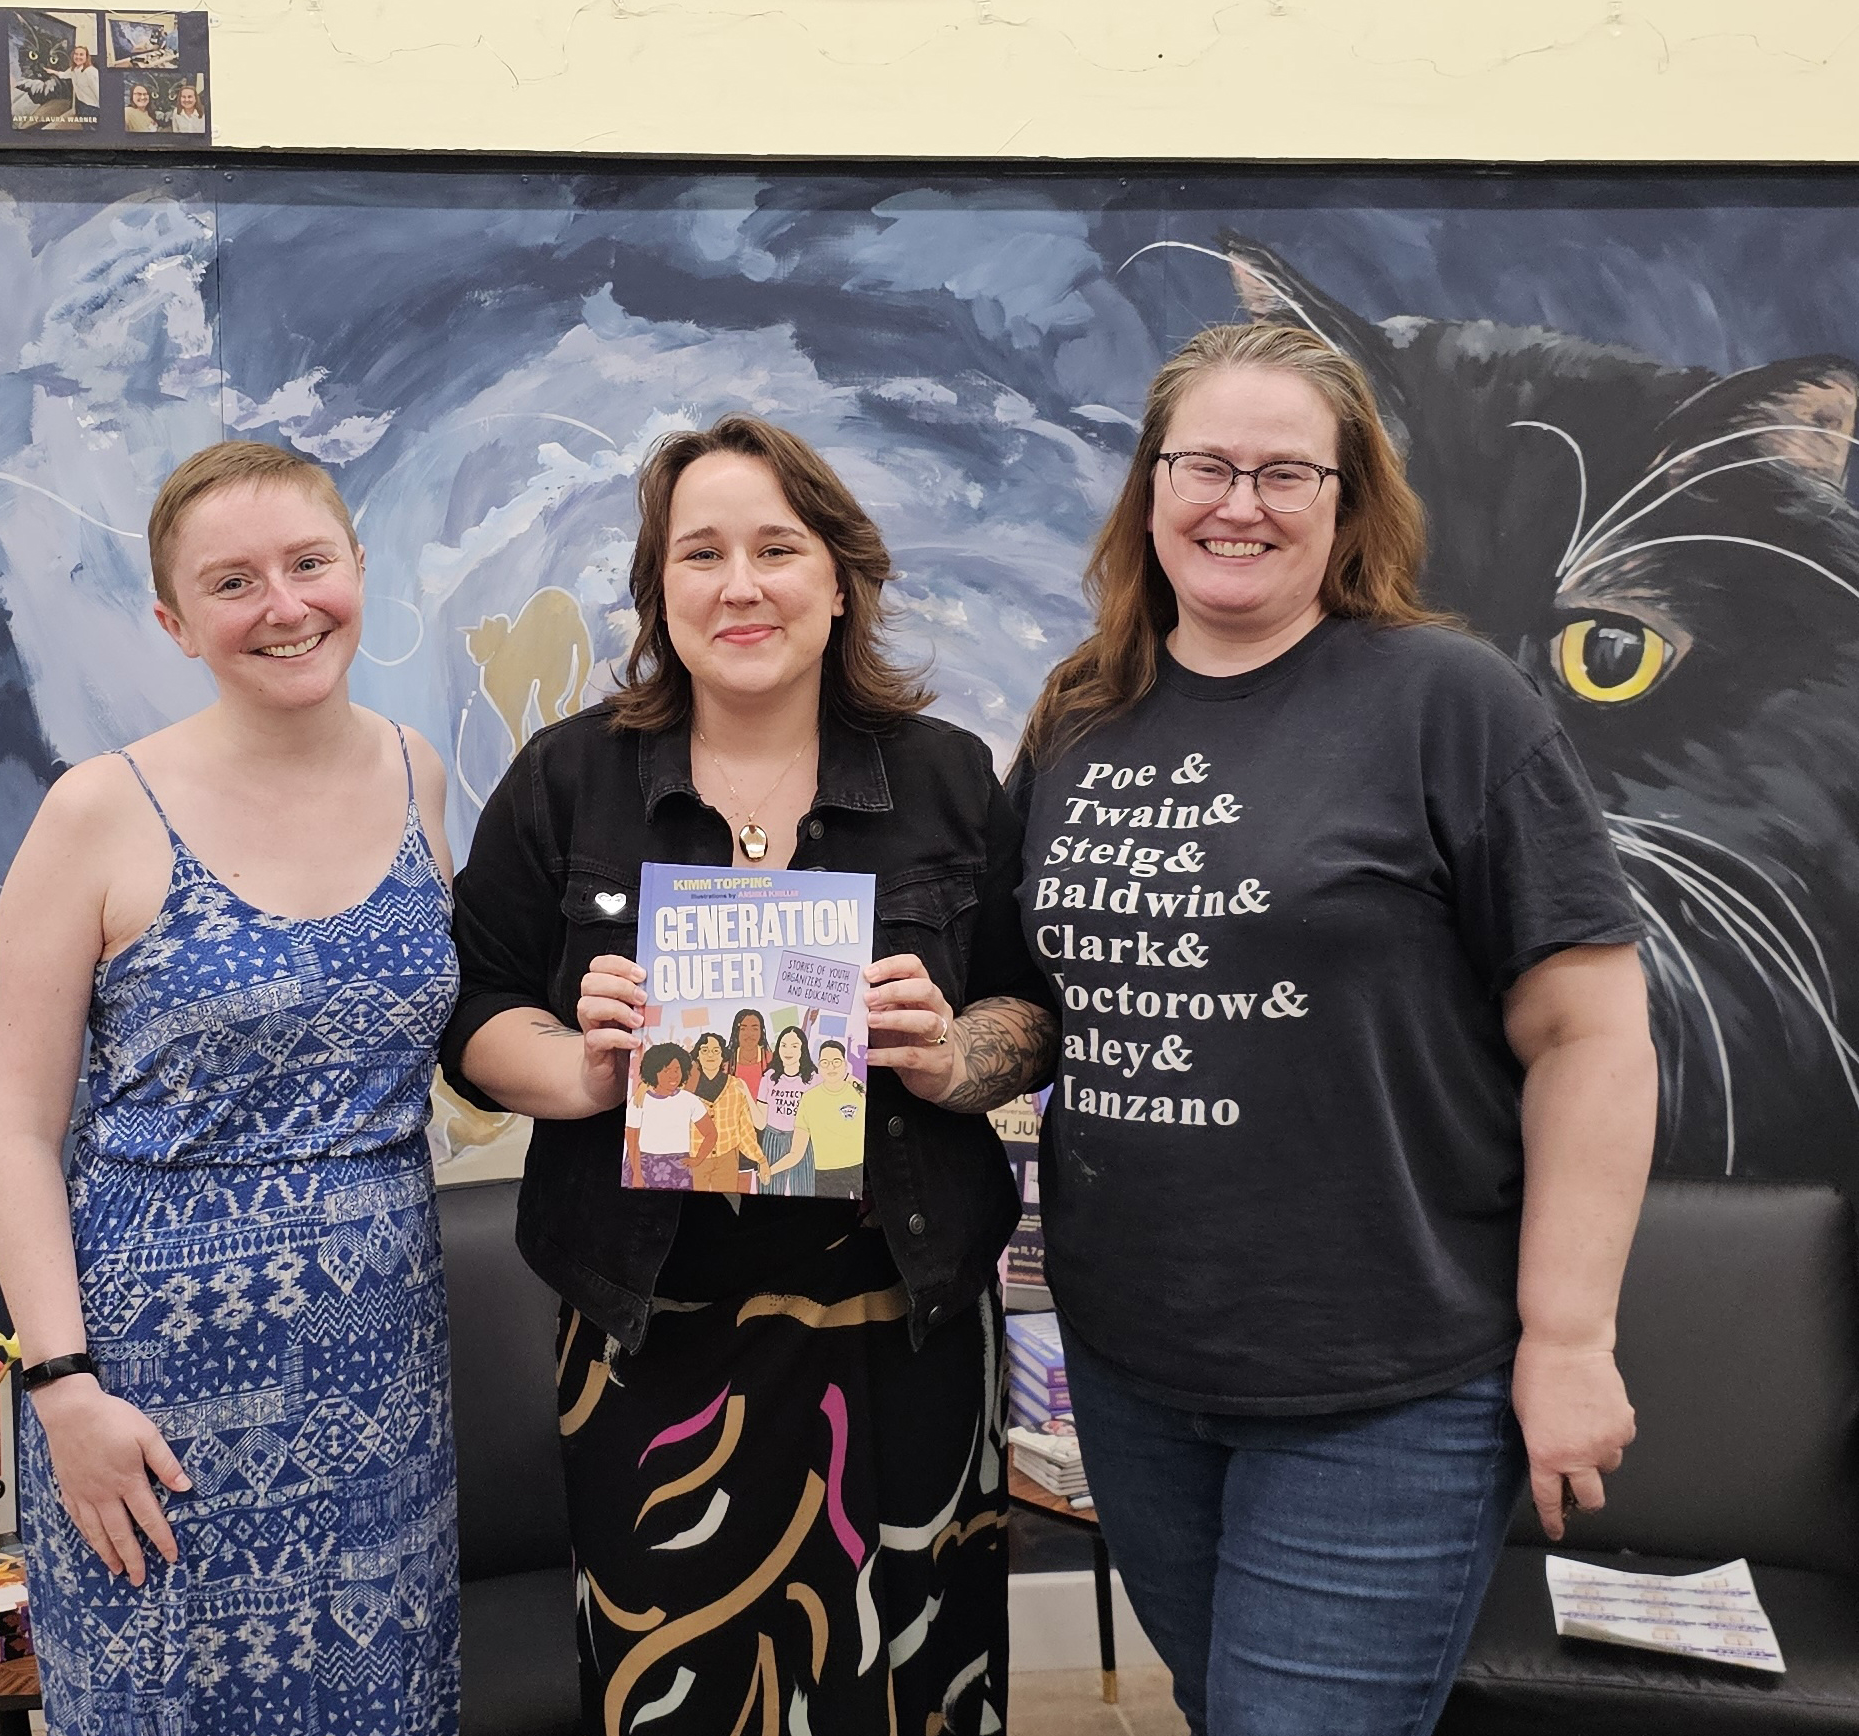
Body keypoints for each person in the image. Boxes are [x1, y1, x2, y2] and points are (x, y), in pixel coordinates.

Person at [1010, 320, 1657, 1736]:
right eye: (1205, 465)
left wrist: (1568, 1333)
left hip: (1385, 1389)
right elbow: (1030, 998)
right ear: (1150, 485)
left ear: (1348, 500)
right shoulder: (1080, 713)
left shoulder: (1450, 703)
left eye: (1284, 473)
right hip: (1132, 1373)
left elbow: (1591, 1033)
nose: (1237, 503)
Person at [444, 414, 1057, 1735]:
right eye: (700, 553)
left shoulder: (947, 778)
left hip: (909, 1338)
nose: (741, 585)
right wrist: (578, 1071)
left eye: (777, 548)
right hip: (654, 1352)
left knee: (915, 1694)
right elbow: (473, 1009)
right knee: (680, 1696)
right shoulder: (568, 781)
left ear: (840, 580)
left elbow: (1032, 1007)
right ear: (658, 589)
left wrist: (955, 1055)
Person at [0, 440, 460, 1735]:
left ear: (359, 567)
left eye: (309, 563)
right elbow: (16, 1129)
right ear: (174, 623)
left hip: (381, 1378)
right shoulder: (97, 813)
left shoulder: (416, 772)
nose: (284, 605)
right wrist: (63, 1388)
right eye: (233, 582)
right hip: (151, 1397)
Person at [782, 1035, 866, 1199]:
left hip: (858, 1166)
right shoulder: (809, 1098)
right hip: (825, 1172)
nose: (831, 1067)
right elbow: (796, 1151)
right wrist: (770, 1170)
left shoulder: (857, 1091)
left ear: (845, 1064)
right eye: (825, 1063)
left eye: (836, 1061)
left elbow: (864, 1090)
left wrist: (848, 1078)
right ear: (818, 1066)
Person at [686, 1029, 765, 1191]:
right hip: (695, 1157)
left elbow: (745, 1129)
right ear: (697, 1055)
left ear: (723, 1056)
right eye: (705, 1050)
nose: (710, 1055)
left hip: (727, 1158)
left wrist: (760, 1159)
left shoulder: (736, 1085)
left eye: (716, 1051)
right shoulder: (686, 1086)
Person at [624, 1042, 711, 1189]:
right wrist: (637, 1174)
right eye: (666, 1070)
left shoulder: (689, 1100)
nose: (673, 1075)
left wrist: (698, 1159)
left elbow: (711, 1133)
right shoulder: (639, 1100)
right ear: (654, 1072)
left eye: (677, 1069)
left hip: (679, 1169)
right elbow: (632, 1142)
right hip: (643, 1165)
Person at [755, 1022, 816, 1195]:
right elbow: (760, 1122)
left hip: (802, 1138)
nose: (788, 1051)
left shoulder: (814, 1078)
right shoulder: (769, 1077)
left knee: (804, 1190)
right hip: (772, 1138)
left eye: (794, 1046)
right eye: (784, 1045)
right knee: (768, 1190)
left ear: (803, 1049)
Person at [728, 1007, 771, 1099]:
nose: (749, 1034)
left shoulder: (771, 1059)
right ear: (736, 1032)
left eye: (754, 1029)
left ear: (761, 1032)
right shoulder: (727, 1061)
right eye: (743, 1029)